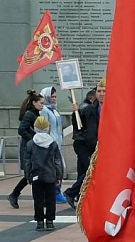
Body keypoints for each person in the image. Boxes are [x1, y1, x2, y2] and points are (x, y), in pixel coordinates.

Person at [65, 78, 105, 209]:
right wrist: (75, 112)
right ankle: (71, 193)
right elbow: (78, 126)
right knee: (90, 171)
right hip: (86, 146)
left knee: (84, 172)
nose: (101, 94)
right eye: (99, 91)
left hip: (102, 147)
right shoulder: (89, 110)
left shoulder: (113, 109)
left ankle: (79, 195)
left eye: (104, 91)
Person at [8, 90, 44, 209]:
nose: (42, 105)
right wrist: (33, 139)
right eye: (41, 103)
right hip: (28, 148)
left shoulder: (35, 114)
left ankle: (37, 198)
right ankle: (14, 194)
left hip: (32, 147)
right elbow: (21, 130)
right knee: (30, 174)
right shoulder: (30, 114)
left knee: (34, 173)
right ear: (34, 102)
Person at [25, 116, 62, 231]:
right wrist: (58, 175)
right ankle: (50, 221)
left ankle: (39, 222)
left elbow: (27, 161)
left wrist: (28, 175)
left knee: (38, 199)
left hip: (36, 175)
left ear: (35, 128)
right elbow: (57, 161)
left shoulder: (31, 144)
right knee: (51, 199)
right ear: (48, 128)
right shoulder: (53, 143)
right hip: (50, 175)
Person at [39, 86, 66, 203]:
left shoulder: (54, 109)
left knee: (61, 168)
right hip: (50, 144)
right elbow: (43, 127)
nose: (54, 99)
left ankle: (56, 191)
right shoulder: (44, 110)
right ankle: (54, 192)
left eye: (55, 96)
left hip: (57, 144)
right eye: (52, 97)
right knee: (55, 168)